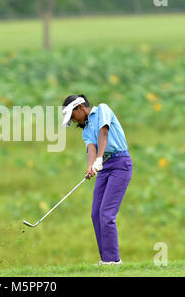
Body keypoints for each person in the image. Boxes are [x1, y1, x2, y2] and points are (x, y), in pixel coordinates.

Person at [62, 94, 133, 265]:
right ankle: (106, 260)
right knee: (96, 214)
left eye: (72, 116)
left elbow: (104, 132)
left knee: (106, 213)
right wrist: (91, 165)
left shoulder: (102, 109)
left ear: (80, 108)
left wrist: (99, 159)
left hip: (120, 164)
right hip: (104, 168)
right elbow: (91, 147)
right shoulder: (86, 129)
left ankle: (113, 261)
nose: (73, 120)